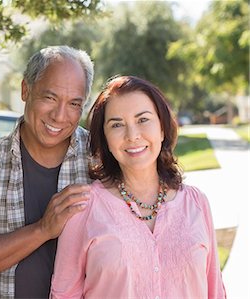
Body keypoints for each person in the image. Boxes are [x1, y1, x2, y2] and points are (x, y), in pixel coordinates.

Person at [51, 75, 226, 298]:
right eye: (117, 124)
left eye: (143, 120)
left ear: (162, 128)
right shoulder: (83, 208)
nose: (132, 136)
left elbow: (215, 290)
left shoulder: (196, 204)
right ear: (105, 140)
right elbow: (64, 295)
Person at [0, 45, 95, 298]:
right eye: (50, 98)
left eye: (74, 103)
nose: (60, 115)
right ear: (26, 90)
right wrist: (42, 229)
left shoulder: (101, 160)